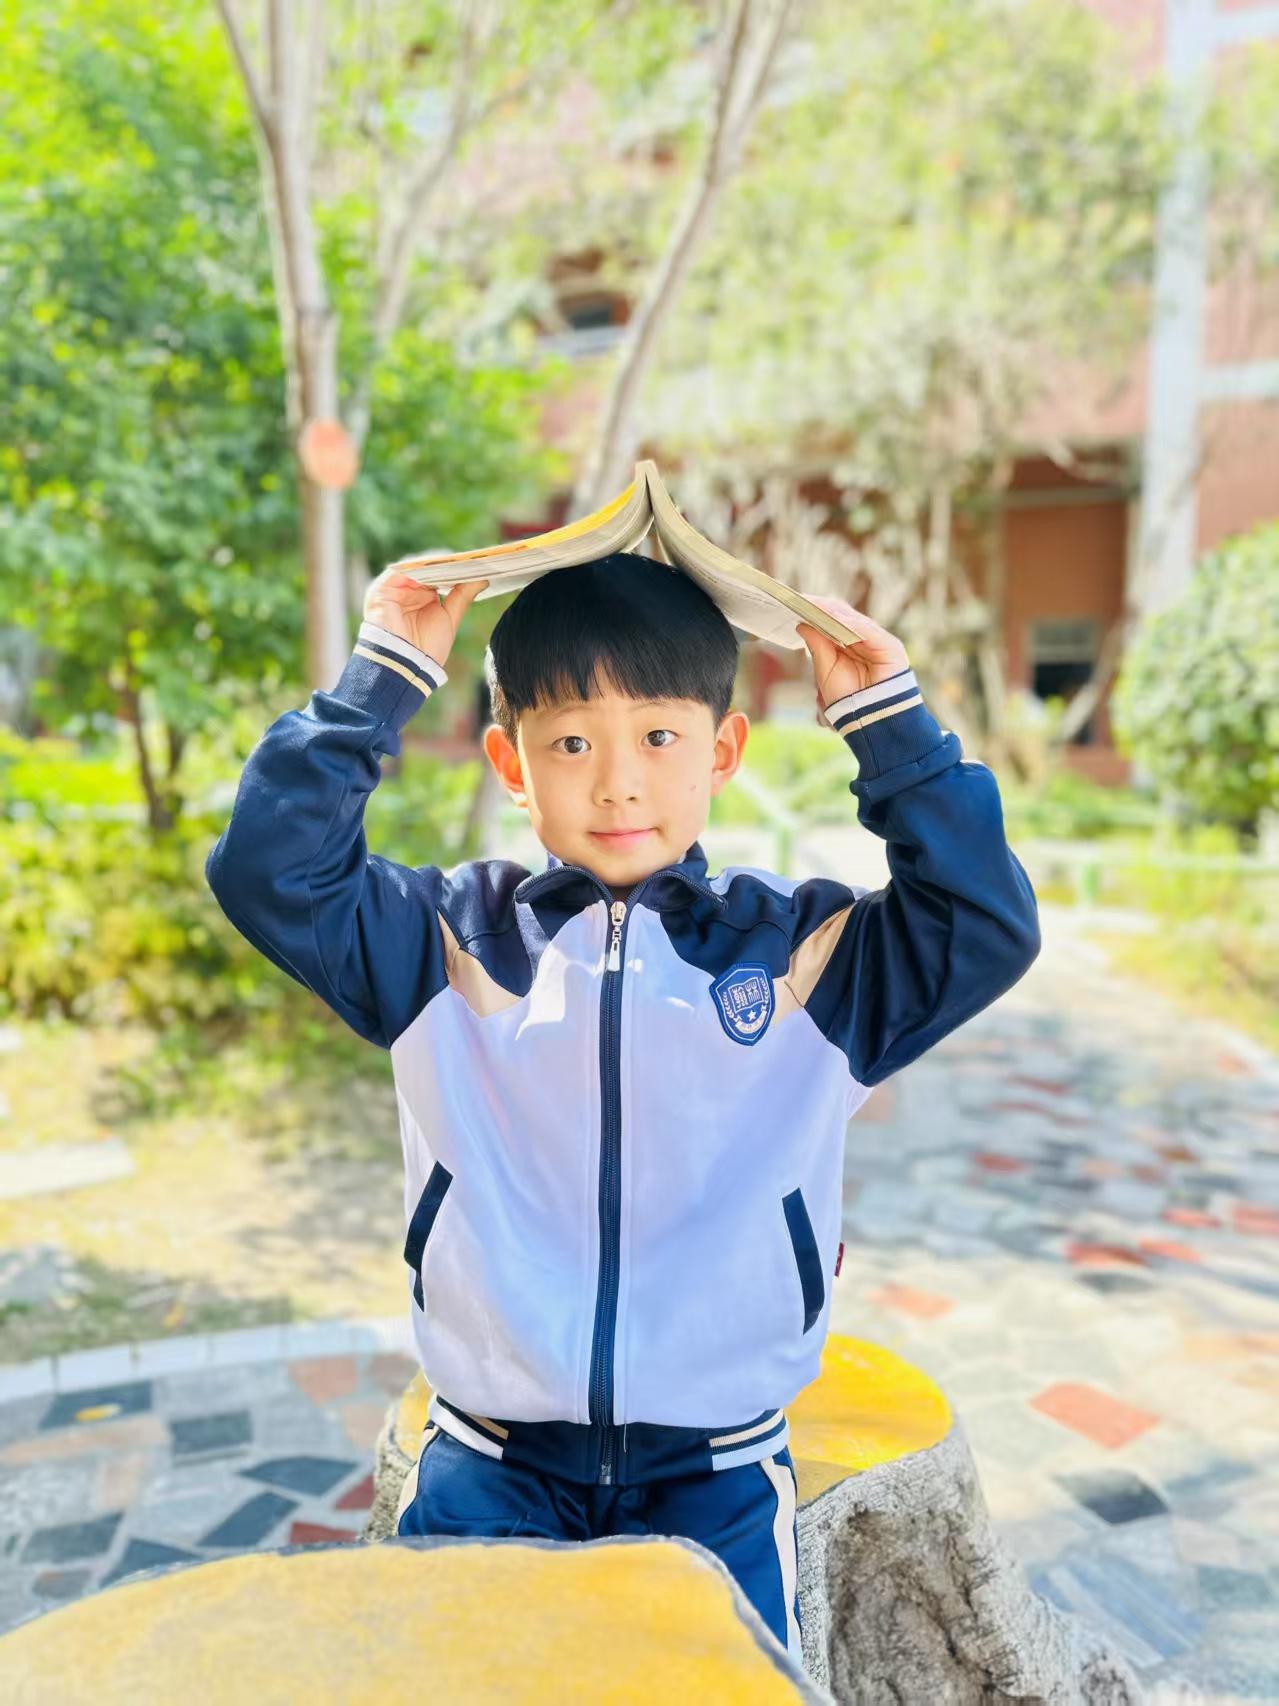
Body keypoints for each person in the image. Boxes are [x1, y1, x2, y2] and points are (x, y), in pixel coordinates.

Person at [204, 551, 1041, 1657]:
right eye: (570, 743)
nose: (617, 784)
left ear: (722, 751)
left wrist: (886, 721)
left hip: (717, 1474)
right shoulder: (442, 944)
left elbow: (982, 922)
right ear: (510, 762)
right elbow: (269, 869)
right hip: (488, 1461)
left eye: (657, 736)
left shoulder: (804, 957)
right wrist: (384, 672)